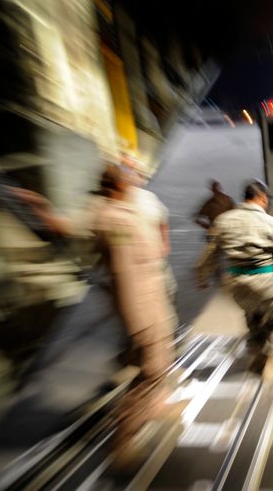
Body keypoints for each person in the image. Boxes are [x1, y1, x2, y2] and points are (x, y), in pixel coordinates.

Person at [92, 165, 179, 466]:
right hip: (143, 307)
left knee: (159, 365)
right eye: (128, 180)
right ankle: (123, 438)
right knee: (152, 370)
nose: (133, 183)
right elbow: (123, 274)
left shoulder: (123, 213)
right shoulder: (115, 220)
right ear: (117, 186)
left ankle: (153, 407)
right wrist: (139, 323)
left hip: (152, 300)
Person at [196, 179, 273, 381]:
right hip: (265, 281)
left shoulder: (224, 221)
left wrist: (201, 275)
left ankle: (257, 352)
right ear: (263, 198)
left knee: (252, 315)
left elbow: (210, 253)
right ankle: (271, 362)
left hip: (237, 283)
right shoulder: (271, 223)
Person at [121, 155, 178, 307]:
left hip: (158, 262)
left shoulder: (148, 197)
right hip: (135, 269)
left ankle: (171, 328)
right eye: (126, 169)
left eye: (134, 170)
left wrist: (165, 244)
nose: (132, 174)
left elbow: (163, 220)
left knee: (170, 292)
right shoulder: (117, 202)